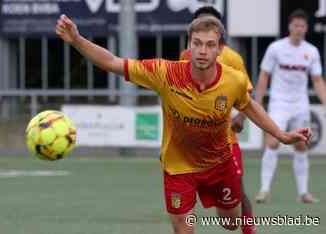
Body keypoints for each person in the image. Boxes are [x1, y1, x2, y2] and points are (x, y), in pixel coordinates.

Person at [56, 14, 312, 233]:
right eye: (197, 43)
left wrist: (280, 134)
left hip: (219, 165)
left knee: (231, 223)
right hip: (179, 169)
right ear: (189, 45)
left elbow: (248, 105)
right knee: (183, 227)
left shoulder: (233, 80)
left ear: (220, 49)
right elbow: (112, 62)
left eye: (210, 45)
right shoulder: (165, 73)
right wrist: (77, 40)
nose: (202, 51)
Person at [180, 6, 255, 234]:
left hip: (225, 141)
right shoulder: (185, 56)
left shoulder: (232, 57)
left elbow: (246, 93)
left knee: (239, 192)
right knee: (183, 198)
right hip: (192, 146)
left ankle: (249, 230)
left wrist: (241, 116)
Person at [255, 9, 326, 204]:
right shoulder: (276, 48)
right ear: (289, 26)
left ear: (306, 28)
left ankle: (303, 193)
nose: (299, 29)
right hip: (279, 103)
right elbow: (264, 75)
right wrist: (258, 103)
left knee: (302, 145)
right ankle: (264, 190)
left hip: (300, 105)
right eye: (296, 25)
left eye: (302, 26)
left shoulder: (311, 51)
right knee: (273, 142)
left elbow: (318, 80)